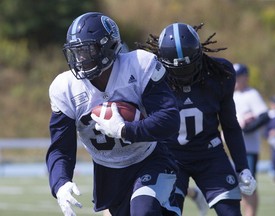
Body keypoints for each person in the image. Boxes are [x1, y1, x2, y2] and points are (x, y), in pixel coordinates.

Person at [46, 12, 182, 216]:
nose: (80, 59)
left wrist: (125, 130)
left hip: (149, 158)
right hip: (108, 171)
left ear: (107, 47)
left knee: (143, 211)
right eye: (76, 52)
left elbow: (170, 119)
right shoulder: (65, 88)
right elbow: (60, 149)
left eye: (87, 51)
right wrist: (60, 183)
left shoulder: (139, 65)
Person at [137, 22, 257, 216]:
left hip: (209, 153)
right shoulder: (149, 76)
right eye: (176, 69)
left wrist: (243, 167)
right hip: (169, 156)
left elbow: (230, 124)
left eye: (188, 67)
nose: (183, 75)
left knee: (231, 213)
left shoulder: (219, 73)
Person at [233, 63, 270, 216]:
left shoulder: (251, 94)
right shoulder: (231, 95)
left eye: (238, 77)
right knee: (238, 186)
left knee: (249, 184)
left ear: (245, 78)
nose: (235, 80)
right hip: (233, 147)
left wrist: (247, 128)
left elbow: (264, 116)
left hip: (249, 148)